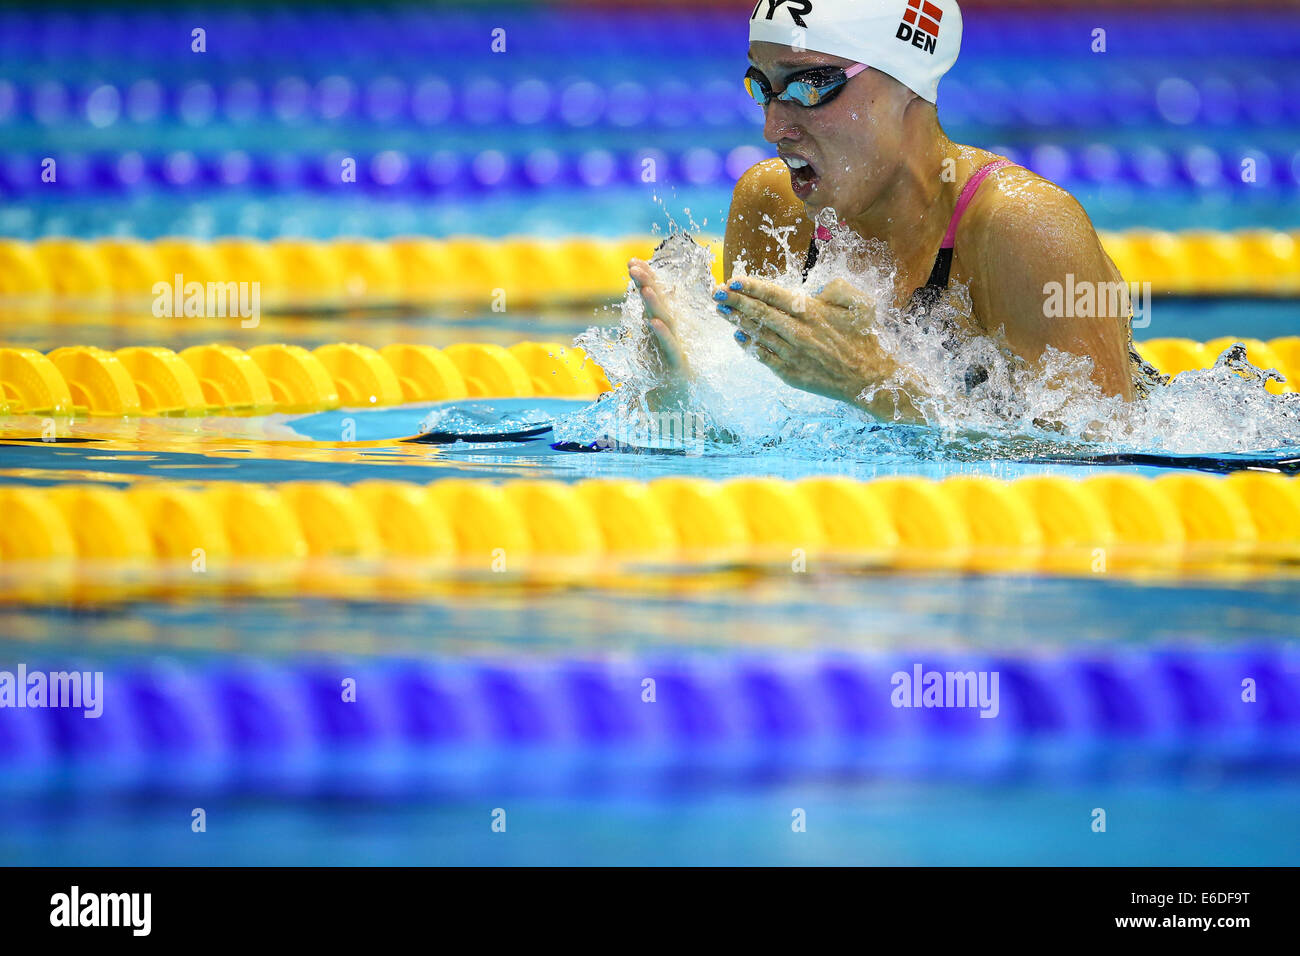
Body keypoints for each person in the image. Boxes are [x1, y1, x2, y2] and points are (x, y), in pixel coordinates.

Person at [628, 0, 1164, 423]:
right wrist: (679, 399)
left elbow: (1101, 457)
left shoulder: (1020, 227)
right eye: (764, 88)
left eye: (811, 86)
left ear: (906, 83)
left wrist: (873, 383)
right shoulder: (775, 207)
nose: (774, 128)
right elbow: (768, 432)